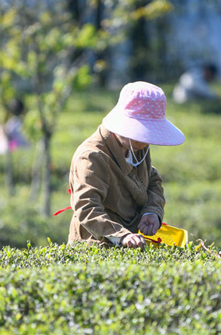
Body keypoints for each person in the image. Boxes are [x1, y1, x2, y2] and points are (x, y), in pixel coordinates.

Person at [68, 81, 185, 248]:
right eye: (139, 132)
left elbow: (152, 180)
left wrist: (152, 211)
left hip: (133, 243)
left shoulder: (138, 146)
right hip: (95, 245)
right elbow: (86, 208)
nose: (144, 139)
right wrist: (121, 235)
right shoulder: (92, 157)